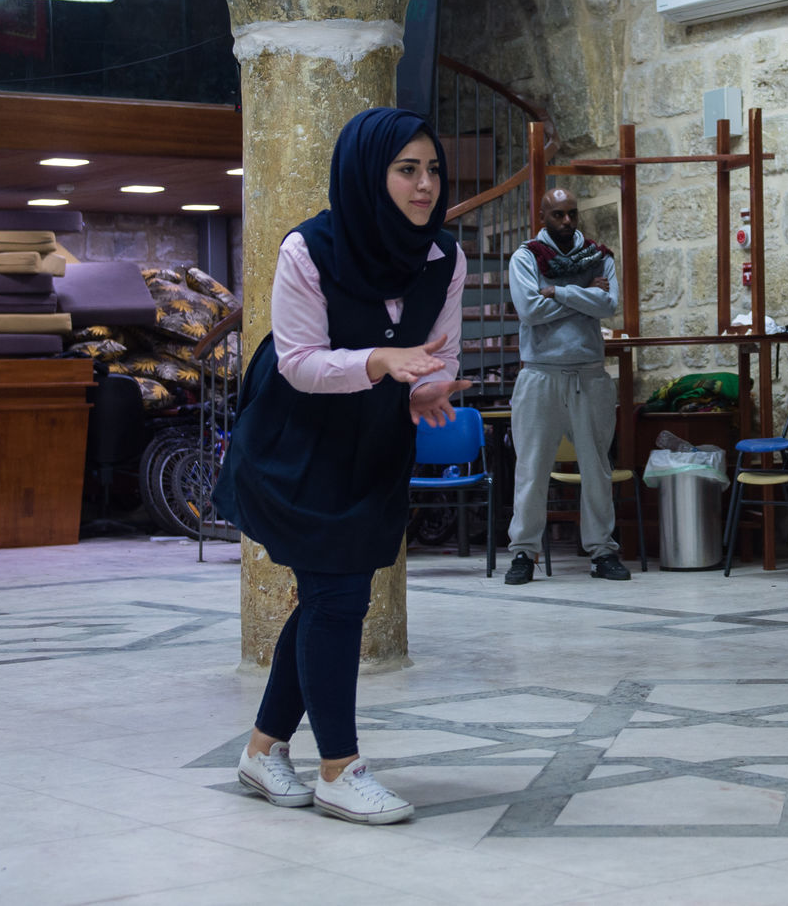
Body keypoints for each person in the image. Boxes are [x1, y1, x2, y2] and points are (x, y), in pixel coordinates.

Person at [212, 108, 470, 823]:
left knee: (332, 596)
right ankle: (338, 769)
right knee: (339, 596)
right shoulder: (308, 249)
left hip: (374, 439)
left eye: (433, 170)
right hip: (298, 438)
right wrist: (380, 361)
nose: (426, 185)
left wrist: (426, 389)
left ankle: (262, 751)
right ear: (367, 175)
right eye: (406, 170)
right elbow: (297, 361)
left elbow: (438, 351)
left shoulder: (445, 258)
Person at [502, 188, 632, 585]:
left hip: (589, 374)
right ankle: (524, 552)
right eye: (558, 214)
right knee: (531, 468)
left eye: (572, 213)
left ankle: (602, 551)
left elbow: (609, 306)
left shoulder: (599, 256)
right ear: (542, 216)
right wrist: (585, 295)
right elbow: (529, 310)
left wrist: (559, 291)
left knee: (597, 467)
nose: (567, 221)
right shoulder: (526, 257)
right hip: (540, 374)